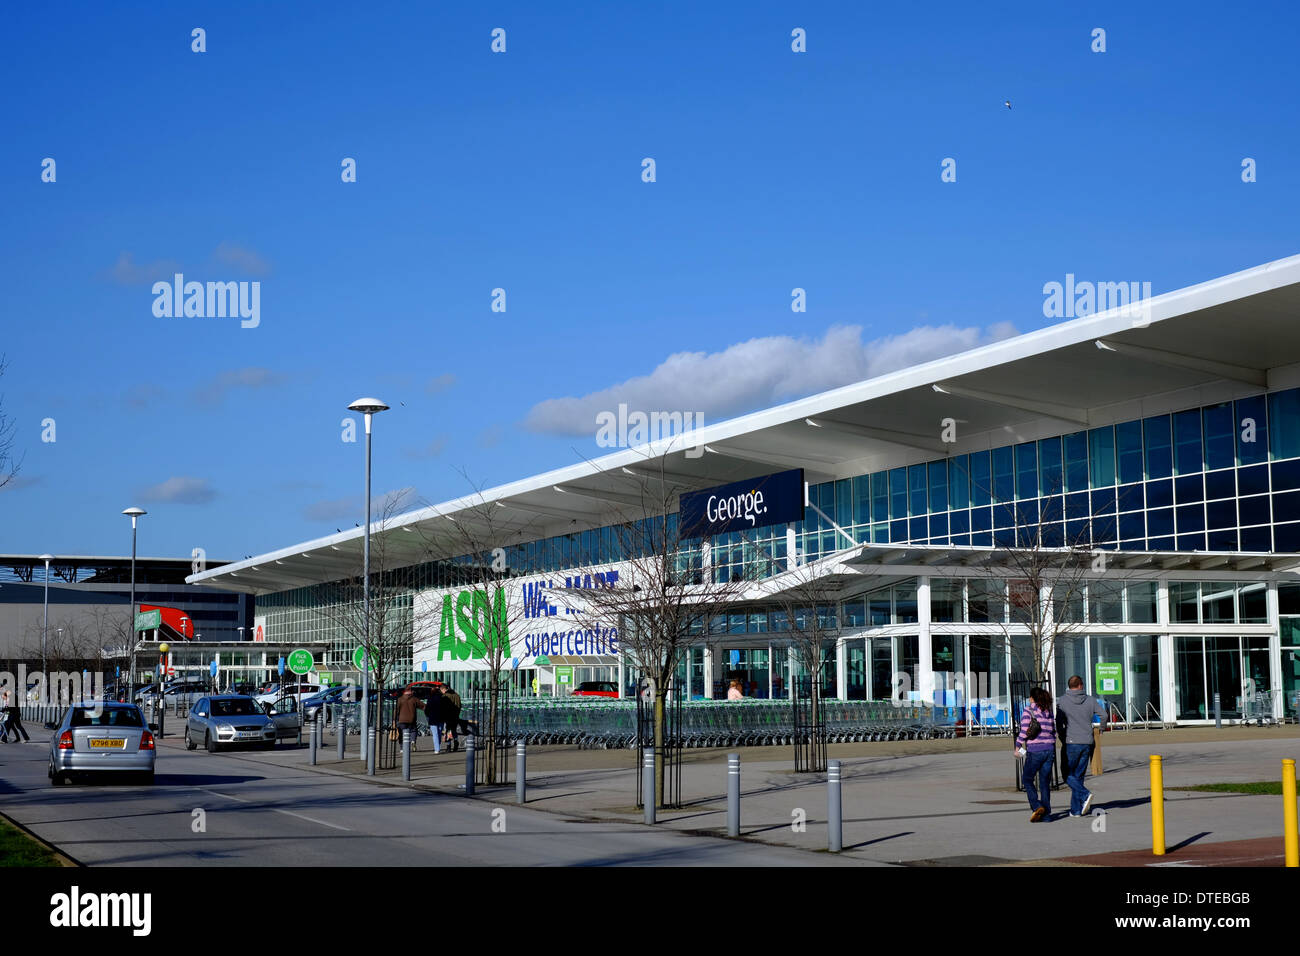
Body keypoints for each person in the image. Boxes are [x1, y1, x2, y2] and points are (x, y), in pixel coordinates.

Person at [1056, 675, 1108, 817]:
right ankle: (1076, 810)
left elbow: (1058, 722)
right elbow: (1104, 715)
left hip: (1071, 741)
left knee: (1067, 774)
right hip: (1087, 741)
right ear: (1080, 685)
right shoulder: (1090, 700)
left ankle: (1085, 794)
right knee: (1078, 775)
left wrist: (1062, 736)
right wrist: (1101, 728)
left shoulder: (1063, 701)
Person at [1014, 687, 1056, 822]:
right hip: (1049, 750)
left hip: (1035, 750)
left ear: (1032, 698)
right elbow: (1053, 731)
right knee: (1044, 783)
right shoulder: (1049, 711)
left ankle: (1036, 806)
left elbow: (1024, 730)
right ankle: (1047, 815)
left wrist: (1018, 746)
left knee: (1027, 779)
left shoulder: (1029, 710)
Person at [394, 686, 424, 751]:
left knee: (401, 733)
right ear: (410, 691)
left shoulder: (400, 699)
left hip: (401, 720)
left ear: (404, 691)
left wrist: (394, 719)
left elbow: (396, 710)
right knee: (413, 730)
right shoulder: (414, 699)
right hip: (412, 719)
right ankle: (413, 741)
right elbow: (423, 706)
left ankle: (402, 748)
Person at [425, 686, 447, 754]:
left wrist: (428, 715)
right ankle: (438, 746)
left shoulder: (430, 698)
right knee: (439, 733)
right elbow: (445, 708)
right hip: (441, 718)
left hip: (432, 718)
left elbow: (427, 709)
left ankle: (437, 749)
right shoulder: (442, 698)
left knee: (435, 734)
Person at [443, 685, 464, 751]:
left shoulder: (445, 696)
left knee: (448, 731)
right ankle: (456, 742)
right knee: (454, 730)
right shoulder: (457, 695)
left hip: (448, 716)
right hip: (455, 716)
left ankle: (448, 746)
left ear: (444, 689)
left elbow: (443, 707)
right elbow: (459, 706)